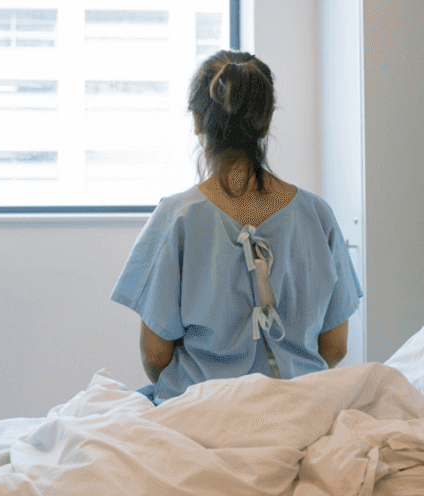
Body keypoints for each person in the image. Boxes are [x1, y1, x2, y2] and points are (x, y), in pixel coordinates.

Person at [111, 50, 363, 404]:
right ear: (267, 120)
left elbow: (154, 357)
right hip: (297, 409)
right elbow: (335, 347)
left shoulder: (176, 217)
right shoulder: (318, 215)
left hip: (202, 410)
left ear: (197, 121)